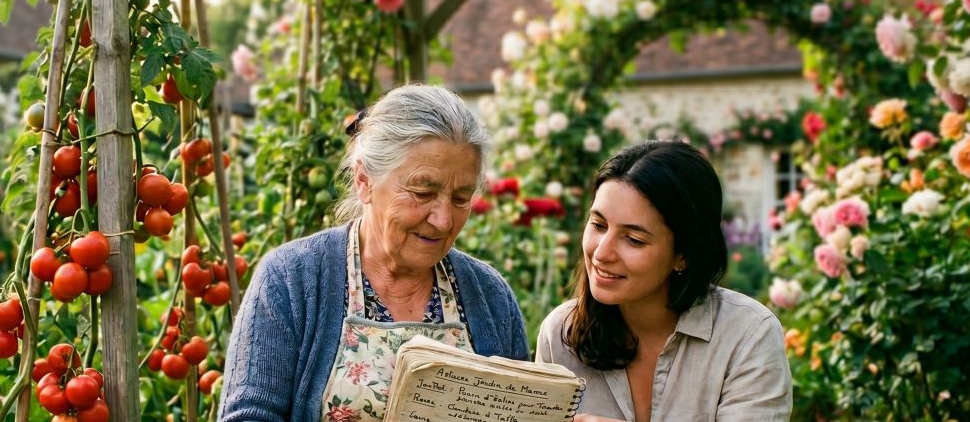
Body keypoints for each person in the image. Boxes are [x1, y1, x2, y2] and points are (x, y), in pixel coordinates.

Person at [219, 84, 530, 421]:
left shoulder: (490, 295)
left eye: (460, 198)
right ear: (364, 180)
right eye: (422, 192)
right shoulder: (290, 279)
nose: (442, 221)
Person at [536, 140, 792, 422]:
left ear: (683, 255)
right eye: (598, 225)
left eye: (633, 239)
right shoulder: (561, 333)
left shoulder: (747, 335)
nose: (602, 252)